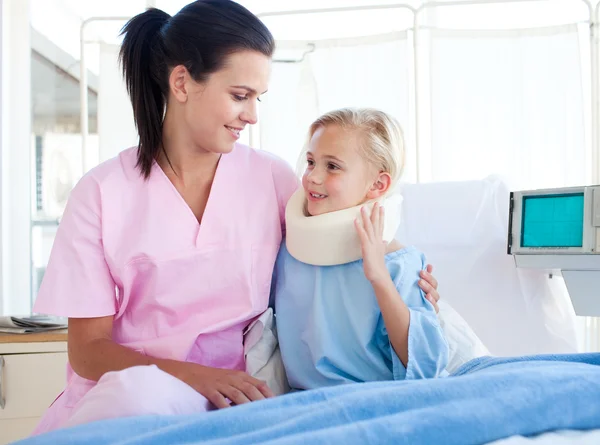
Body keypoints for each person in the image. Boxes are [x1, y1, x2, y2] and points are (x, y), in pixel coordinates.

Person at [31, 0, 441, 434]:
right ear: (183, 82)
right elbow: (89, 351)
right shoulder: (100, 194)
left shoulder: (272, 177)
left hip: (242, 398)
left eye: (258, 98)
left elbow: (337, 236)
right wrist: (195, 377)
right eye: (240, 96)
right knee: (139, 398)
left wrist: (406, 275)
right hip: (133, 397)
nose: (253, 115)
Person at [274, 108, 448, 390]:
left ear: (378, 184)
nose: (312, 177)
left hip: (381, 399)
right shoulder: (289, 253)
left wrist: (379, 276)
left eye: (332, 166)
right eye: (310, 162)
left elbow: (428, 368)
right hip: (304, 403)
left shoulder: (399, 264)